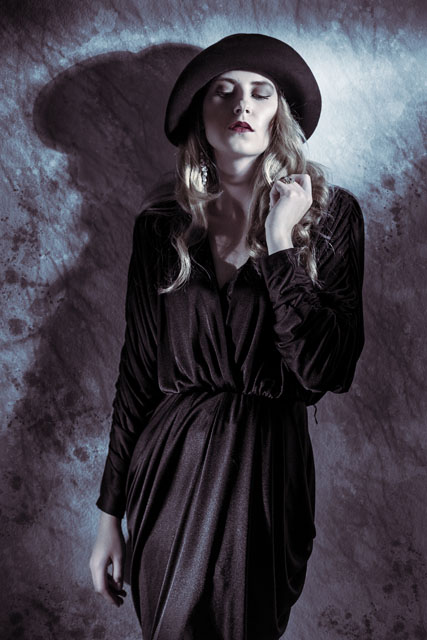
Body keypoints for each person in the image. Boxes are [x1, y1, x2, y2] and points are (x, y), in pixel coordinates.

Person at [89, 33, 365, 639]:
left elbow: (326, 371)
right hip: (167, 470)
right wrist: (109, 513)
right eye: (224, 91)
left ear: (279, 114)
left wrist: (282, 243)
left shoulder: (332, 217)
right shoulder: (161, 228)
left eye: (261, 93)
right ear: (200, 112)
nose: (242, 104)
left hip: (267, 476)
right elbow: (136, 375)